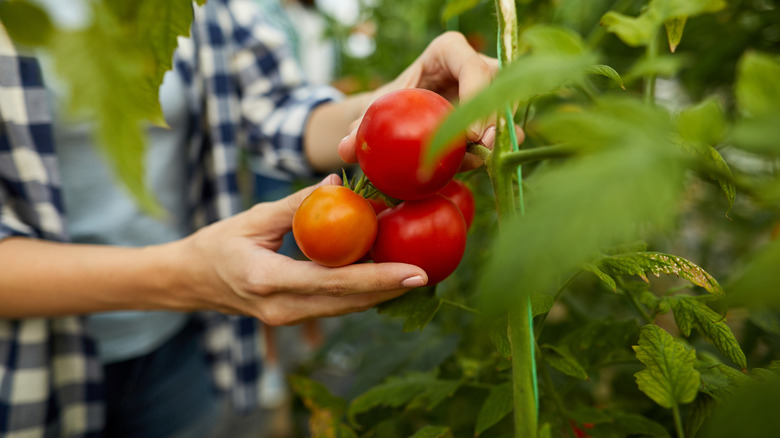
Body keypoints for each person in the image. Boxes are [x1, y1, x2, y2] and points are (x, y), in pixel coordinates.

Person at [0, 0, 500, 436]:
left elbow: (278, 110)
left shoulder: (203, 7)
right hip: (26, 372)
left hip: (179, 349)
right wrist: (187, 277)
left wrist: (402, 105)